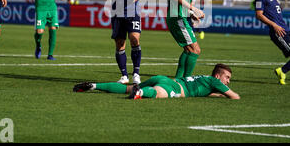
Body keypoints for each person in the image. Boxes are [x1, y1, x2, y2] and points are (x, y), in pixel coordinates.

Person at [73, 63, 240, 100]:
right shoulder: (216, 82)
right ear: (218, 76)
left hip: (163, 78)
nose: (228, 82)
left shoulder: (205, 80)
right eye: (227, 77)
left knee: (127, 88)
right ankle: (141, 93)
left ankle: (94, 85)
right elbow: (235, 97)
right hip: (174, 87)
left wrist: (217, 95)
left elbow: (206, 92)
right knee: (159, 93)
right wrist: (225, 94)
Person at [166, 0, 205, 78]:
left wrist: (191, 13)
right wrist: (194, 8)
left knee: (189, 50)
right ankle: (186, 79)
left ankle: (179, 80)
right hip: (177, 18)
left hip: (178, 16)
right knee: (195, 50)